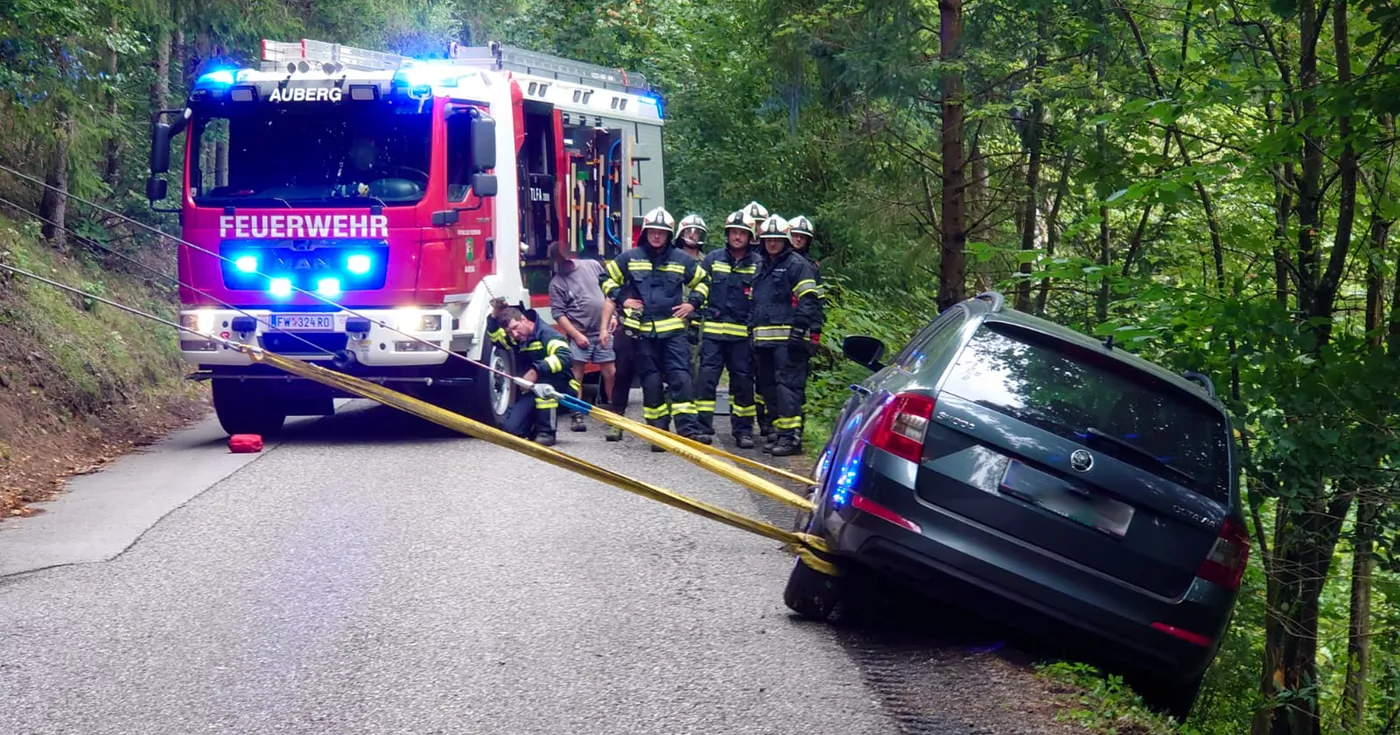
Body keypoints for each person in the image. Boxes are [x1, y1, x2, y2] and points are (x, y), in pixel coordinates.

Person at [600, 207, 711, 448]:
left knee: (680, 378)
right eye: (653, 232)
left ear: (670, 235)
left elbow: (704, 280)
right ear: (646, 233)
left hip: (673, 333)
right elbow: (605, 278)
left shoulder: (681, 259)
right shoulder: (631, 257)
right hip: (643, 334)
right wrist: (622, 298)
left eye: (662, 233)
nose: (657, 236)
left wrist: (692, 304)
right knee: (650, 384)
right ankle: (657, 433)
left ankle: (688, 432)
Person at [748, 214, 822, 457]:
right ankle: (779, 434)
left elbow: (808, 299)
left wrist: (800, 331)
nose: (772, 243)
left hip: (789, 341)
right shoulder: (760, 266)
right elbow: (754, 302)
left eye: (777, 239)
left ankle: (791, 439)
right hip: (764, 341)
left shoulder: (797, 265)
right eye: (768, 239)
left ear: (785, 240)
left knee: (787, 388)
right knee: (769, 388)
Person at [694, 210, 762, 448]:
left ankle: (743, 432)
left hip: (743, 337)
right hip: (713, 335)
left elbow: (761, 299)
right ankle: (702, 428)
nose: (737, 237)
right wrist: (694, 322)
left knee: (743, 384)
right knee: (706, 381)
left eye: (742, 233)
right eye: (734, 232)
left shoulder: (758, 264)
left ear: (750, 237)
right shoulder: (712, 260)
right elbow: (699, 290)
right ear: (727, 234)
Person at [547, 242, 615, 433]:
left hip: (602, 329)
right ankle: (576, 414)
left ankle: (614, 411)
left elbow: (609, 293)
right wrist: (576, 335)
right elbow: (558, 314)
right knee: (576, 375)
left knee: (610, 371)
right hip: (580, 332)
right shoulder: (557, 283)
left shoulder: (592, 265)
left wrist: (613, 317)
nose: (559, 265)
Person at [485, 300, 574, 446]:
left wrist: (536, 370)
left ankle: (547, 432)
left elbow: (566, 357)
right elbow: (496, 339)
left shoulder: (547, 334)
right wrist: (494, 314)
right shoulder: (518, 338)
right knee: (510, 429)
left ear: (524, 319)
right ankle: (532, 427)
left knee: (545, 385)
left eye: (515, 327)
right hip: (533, 389)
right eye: (509, 332)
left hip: (561, 387)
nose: (514, 334)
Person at [786, 215, 824, 446]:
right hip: (776, 330)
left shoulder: (811, 267)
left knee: (796, 383)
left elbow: (816, 302)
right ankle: (773, 427)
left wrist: (815, 334)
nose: (798, 239)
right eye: (795, 235)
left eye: (803, 237)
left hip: (800, 331)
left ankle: (796, 429)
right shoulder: (775, 261)